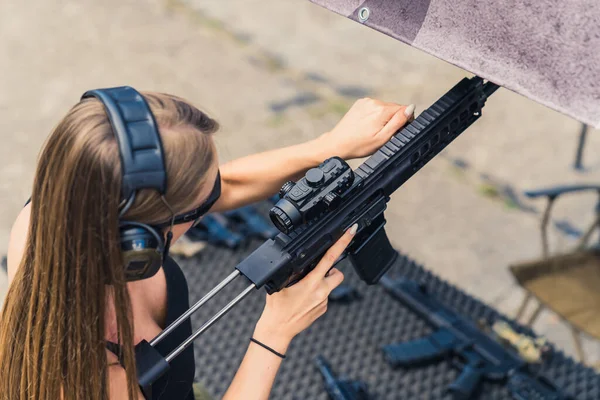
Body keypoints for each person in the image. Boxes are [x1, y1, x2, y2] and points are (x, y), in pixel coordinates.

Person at [0, 87, 414, 400]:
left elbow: (228, 184)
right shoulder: (100, 380)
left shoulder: (61, 211)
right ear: (140, 239)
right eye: (202, 200)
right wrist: (275, 332)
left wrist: (328, 146)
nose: (218, 194)